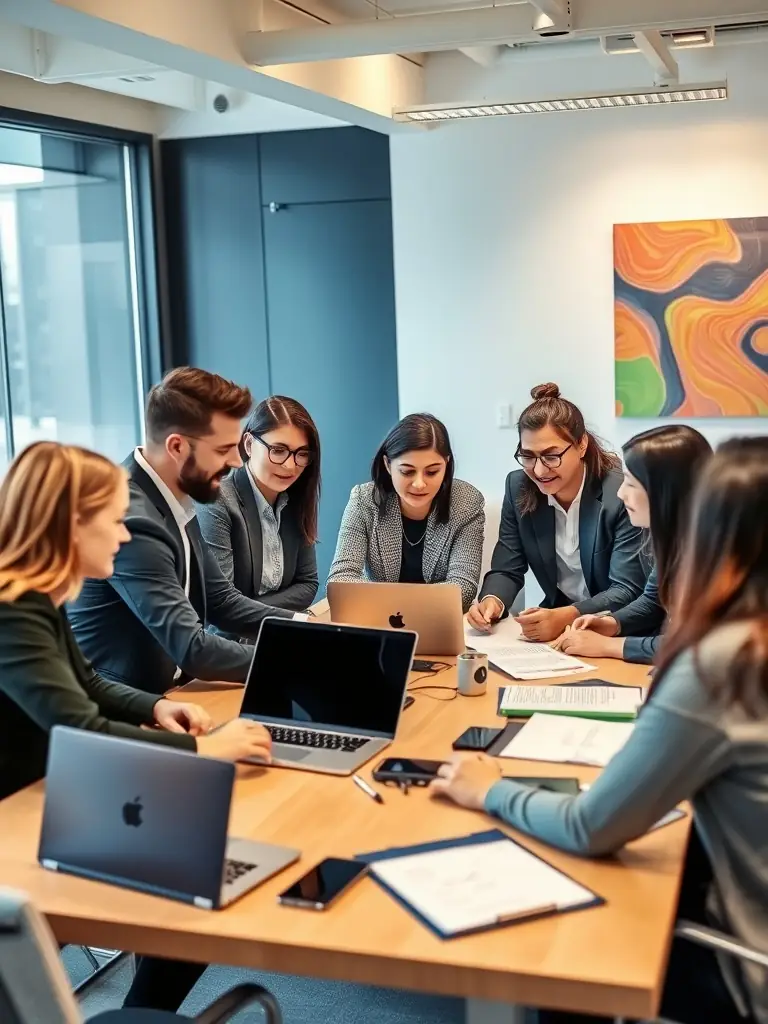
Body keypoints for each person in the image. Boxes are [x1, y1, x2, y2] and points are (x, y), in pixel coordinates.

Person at [432, 436, 768, 1024]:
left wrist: (486, 787)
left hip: (745, 970)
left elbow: (589, 828)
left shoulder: (724, 664)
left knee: (566, 948)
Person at [0, 441, 272, 1012]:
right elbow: (77, 727)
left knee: (194, 875)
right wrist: (202, 750)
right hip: (20, 821)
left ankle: (140, 1015)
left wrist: (154, 707)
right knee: (189, 868)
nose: (123, 536)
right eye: (112, 521)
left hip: (52, 800)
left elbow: (88, 683)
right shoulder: (11, 607)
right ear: (71, 524)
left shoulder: (36, 597)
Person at [68, 367, 300, 696]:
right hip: (131, 712)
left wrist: (306, 628)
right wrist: (300, 656)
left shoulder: (172, 494)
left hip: (174, 695)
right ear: (177, 447)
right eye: (223, 450)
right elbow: (193, 648)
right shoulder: (132, 520)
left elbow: (222, 601)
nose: (237, 461)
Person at [467, 383, 645, 642]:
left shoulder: (620, 494)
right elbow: (507, 568)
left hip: (615, 627)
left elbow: (627, 588)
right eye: (528, 456)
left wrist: (567, 615)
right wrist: (492, 602)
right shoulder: (518, 487)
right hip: (557, 624)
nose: (539, 471)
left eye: (551, 456)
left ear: (581, 444)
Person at [560, 425, 712, 663]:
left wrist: (609, 646)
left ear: (664, 490)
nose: (621, 494)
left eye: (630, 483)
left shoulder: (711, 554)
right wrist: (612, 623)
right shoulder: (673, 539)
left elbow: (695, 643)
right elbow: (653, 601)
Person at [327, 413, 484, 613]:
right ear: (387, 465)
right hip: (379, 621)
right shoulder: (364, 500)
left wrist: (378, 596)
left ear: (446, 464)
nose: (419, 484)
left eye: (432, 471)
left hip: (439, 622)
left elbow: (463, 588)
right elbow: (340, 580)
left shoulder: (466, 503)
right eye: (407, 471)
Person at [196, 396, 320, 638]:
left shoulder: (296, 499)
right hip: (227, 645)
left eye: (301, 454)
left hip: (278, 635)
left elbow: (308, 584)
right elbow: (221, 606)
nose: (290, 466)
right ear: (249, 444)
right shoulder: (218, 500)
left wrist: (250, 606)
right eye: (278, 450)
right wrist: (293, 617)